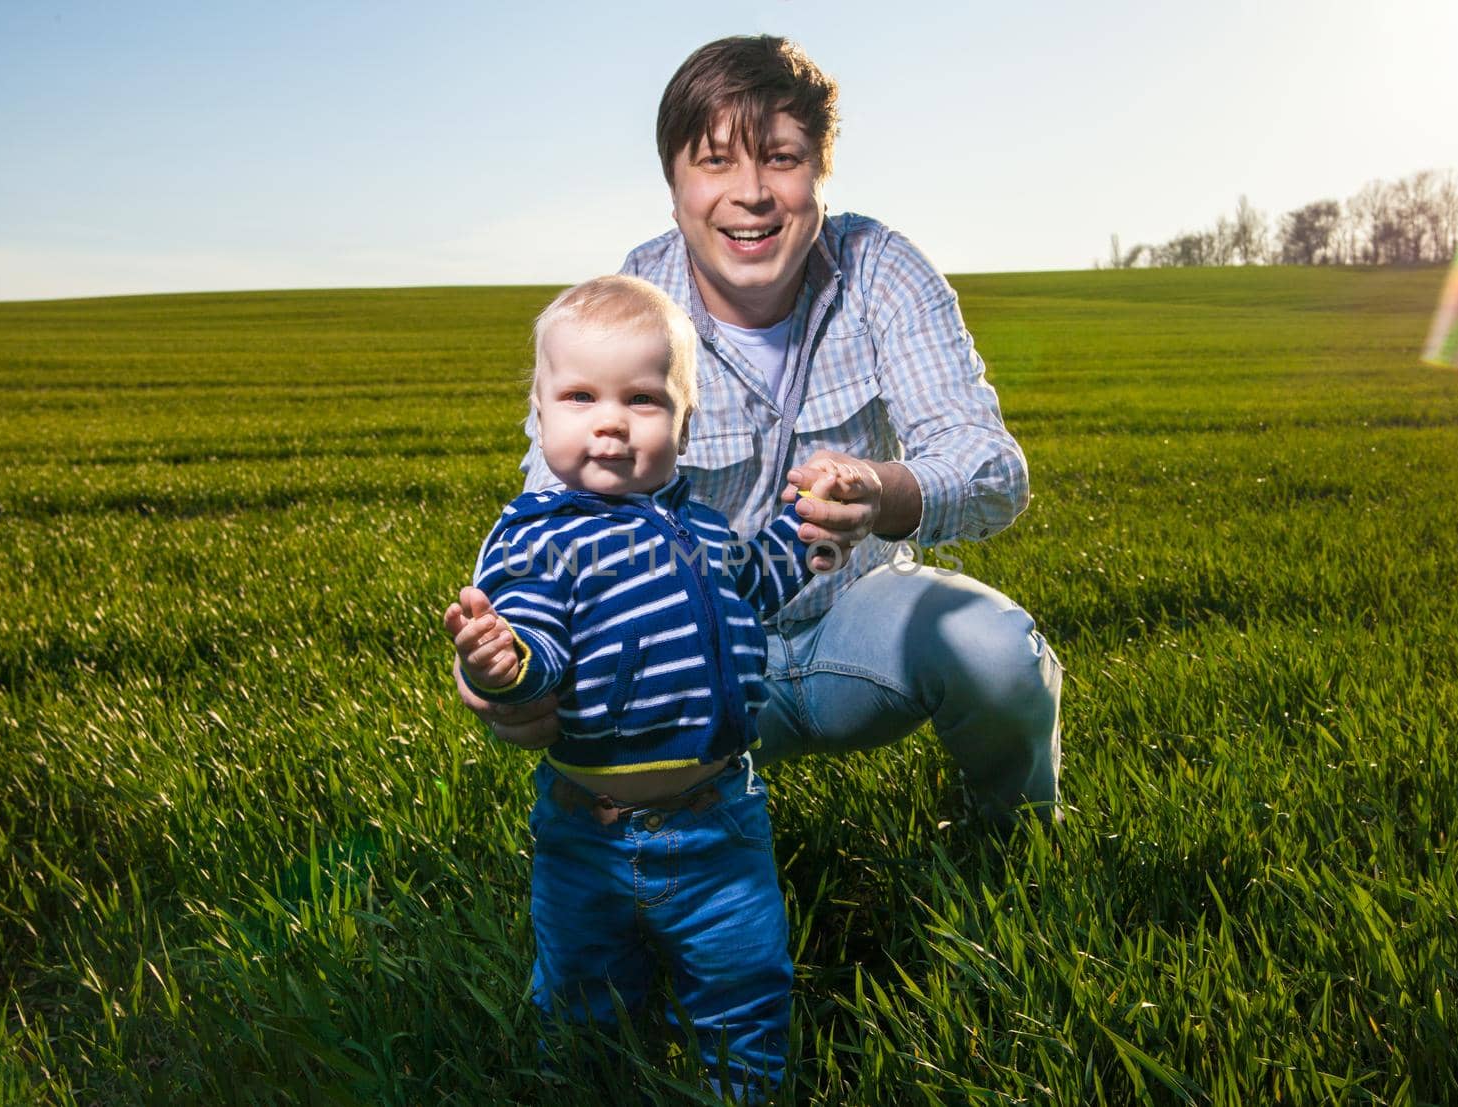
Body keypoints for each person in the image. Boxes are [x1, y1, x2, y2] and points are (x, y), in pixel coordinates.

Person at [449, 33, 1062, 833]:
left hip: (857, 615)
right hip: (688, 653)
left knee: (996, 650)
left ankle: (1010, 846)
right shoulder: (632, 304)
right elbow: (546, 502)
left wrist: (883, 492)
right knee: (600, 754)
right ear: (673, 187)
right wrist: (507, 667)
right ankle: (649, 882)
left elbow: (990, 468)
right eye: (714, 162)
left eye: (781, 157)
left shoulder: (882, 267)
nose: (752, 194)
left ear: (820, 173)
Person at [447, 275, 874, 1099]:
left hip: (721, 823)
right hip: (589, 838)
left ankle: (742, 1087)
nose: (610, 421)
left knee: (747, 986)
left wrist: (809, 522)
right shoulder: (539, 538)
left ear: (685, 421)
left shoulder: (706, 526)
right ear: (539, 415)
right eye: (579, 396)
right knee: (583, 998)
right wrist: (497, 661)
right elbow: (533, 641)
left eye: (642, 399)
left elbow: (753, 583)